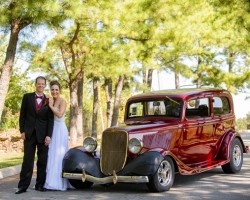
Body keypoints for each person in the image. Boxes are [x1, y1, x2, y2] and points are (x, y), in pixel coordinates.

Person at [15, 76, 54, 194]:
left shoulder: (48, 100)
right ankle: (22, 186)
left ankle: (40, 185)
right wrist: (22, 131)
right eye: (39, 83)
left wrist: (49, 135)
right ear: (35, 84)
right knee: (27, 160)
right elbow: (22, 115)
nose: (41, 85)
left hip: (43, 135)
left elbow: (50, 120)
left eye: (43, 84)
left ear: (45, 85)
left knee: (42, 161)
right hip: (29, 134)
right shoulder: (27, 97)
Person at [44, 80, 70, 191]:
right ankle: (49, 181)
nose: (54, 92)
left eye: (56, 90)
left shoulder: (62, 101)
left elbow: (59, 115)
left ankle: (58, 182)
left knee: (59, 155)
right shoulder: (49, 100)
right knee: (51, 154)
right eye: (53, 89)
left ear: (59, 90)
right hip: (52, 130)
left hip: (60, 131)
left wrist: (50, 106)